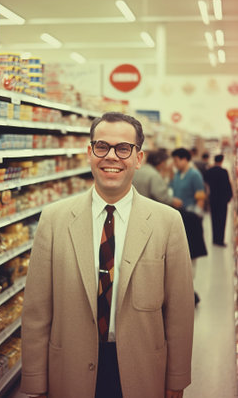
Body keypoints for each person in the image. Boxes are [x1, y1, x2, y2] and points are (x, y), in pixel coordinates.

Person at [20, 112, 194, 398]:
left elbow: (180, 312)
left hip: (142, 369)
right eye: (102, 147)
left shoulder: (168, 222)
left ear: (139, 158)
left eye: (123, 148)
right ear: (89, 153)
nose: (111, 156)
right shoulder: (54, 219)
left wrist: (177, 379)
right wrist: (36, 381)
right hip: (70, 369)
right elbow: (37, 312)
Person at [170, 147, 207, 306]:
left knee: (191, 252)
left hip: (191, 218)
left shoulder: (195, 175)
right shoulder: (177, 175)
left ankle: (189, 288)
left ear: (184, 159)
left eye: (176, 160)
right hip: (179, 217)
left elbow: (200, 197)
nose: (174, 163)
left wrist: (197, 216)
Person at [204, 154, 233, 246]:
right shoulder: (224, 171)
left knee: (214, 219)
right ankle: (220, 240)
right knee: (222, 219)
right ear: (222, 161)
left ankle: (214, 239)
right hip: (222, 200)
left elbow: (206, 183)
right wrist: (229, 197)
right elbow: (228, 186)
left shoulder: (209, 171)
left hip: (213, 199)